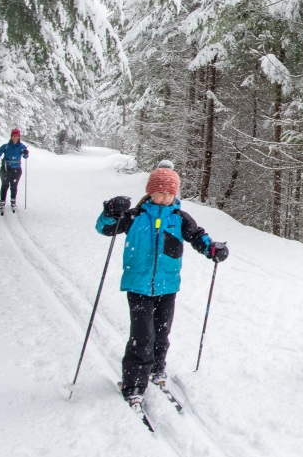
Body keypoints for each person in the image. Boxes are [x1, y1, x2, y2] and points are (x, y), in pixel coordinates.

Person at [95, 161, 229, 409]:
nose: (166, 197)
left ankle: (157, 369)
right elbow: (105, 229)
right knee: (141, 336)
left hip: (168, 286)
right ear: (150, 192)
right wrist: (110, 211)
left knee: (161, 332)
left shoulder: (178, 218)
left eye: (170, 193)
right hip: (138, 286)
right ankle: (134, 384)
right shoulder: (134, 216)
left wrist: (212, 248)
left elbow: (198, 236)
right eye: (161, 192)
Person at [0, 129, 29, 214]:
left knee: (14, 185)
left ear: (19, 137)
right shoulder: (6, 146)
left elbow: (25, 156)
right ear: (11, 137)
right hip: (5, 168)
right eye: (13, 136)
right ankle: (2, 202)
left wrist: (26, 153)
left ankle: (13, 201)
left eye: (16, 136)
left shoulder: (21, 147)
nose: (15, 137)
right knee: (4, 185)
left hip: (16, 169)